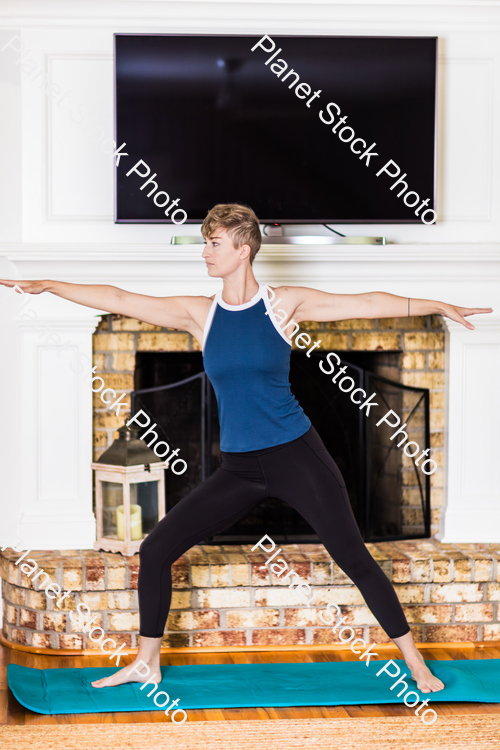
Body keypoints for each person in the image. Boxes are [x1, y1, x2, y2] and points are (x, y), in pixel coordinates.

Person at [0, 203, 492, 695]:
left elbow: (366, 301)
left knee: (353, 556)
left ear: (243, 249)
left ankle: (416, 664)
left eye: (214, 243)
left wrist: (437, 305)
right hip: (238, 468)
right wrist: (50, 285)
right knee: (155, 549)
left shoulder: (284, 304)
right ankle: (146, 662)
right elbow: (119, 296)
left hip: (297, 455)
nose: (205, 252)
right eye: (205, 241)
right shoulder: (201, 313)